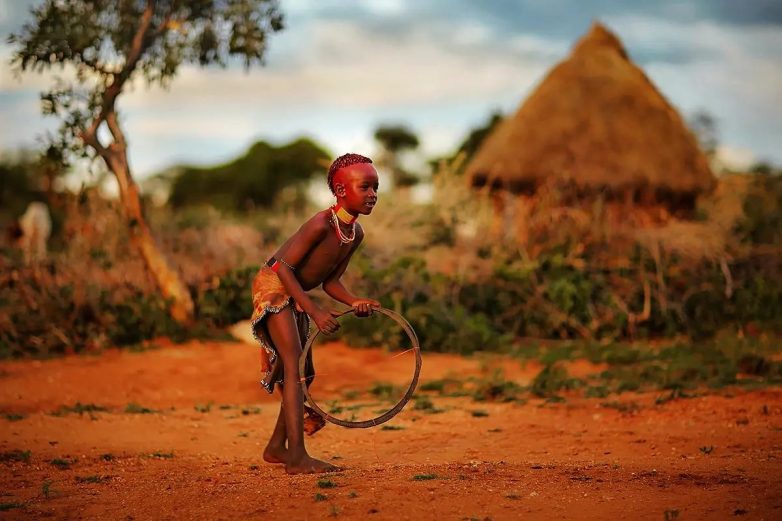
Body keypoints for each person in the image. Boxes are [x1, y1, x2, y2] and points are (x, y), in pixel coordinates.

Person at [250, 153, 381, 474]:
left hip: (295, 290)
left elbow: (331, 281)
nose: (373, 195)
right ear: (340, 190)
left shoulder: (355, 233)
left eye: (376, 187)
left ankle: (276, 447)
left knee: (304, 371)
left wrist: (353, 302)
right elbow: (283, 268)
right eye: (364, 187)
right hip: (274, 284)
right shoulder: (321, 223)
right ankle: (296, 456)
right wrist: (314, 310)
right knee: (293, 364)